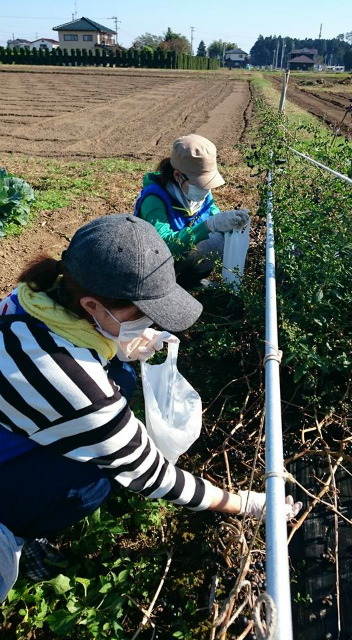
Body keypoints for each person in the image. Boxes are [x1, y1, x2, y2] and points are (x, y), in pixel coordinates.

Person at [0, 214, 301, 599]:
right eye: (143, 313)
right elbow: (153, 475)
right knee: (93, 481)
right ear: (91, 305)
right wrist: (244, 503)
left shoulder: (30, 299)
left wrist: (115, 349)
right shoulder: (76, 389)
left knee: (123, 375)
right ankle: (19, 528)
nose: (151, 323)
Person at [133, 134, 250, 289]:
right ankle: (162, 286)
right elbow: (164, 245)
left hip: (181, 254)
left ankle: (188, 282)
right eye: (200, 184)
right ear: (177, 175)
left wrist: (229, 222)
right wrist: (209, 225)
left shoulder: (198, 192)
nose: (205, 189)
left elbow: (212, 212)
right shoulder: (154, 199)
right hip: (153, 261)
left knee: (217, 241)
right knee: (212, 237)